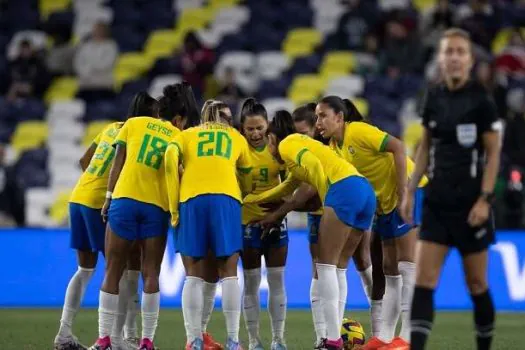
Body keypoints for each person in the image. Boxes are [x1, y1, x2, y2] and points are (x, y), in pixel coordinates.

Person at [400, 28, 501, 350]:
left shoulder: (481, 100)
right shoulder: (434, 96)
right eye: (449, 52)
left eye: (460, 51)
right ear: (441, 59)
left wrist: (485, 199)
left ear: (469, 60)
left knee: (477, 284)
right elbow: (425, 145)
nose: (454, 57)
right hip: (438, 202)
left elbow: (494, 153)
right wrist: (409, 190)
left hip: (471, 204)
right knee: (424, 282)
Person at [244, 112, 376, 350]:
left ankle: (332, 340)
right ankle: (359, 335)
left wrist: (328, 198)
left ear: (273, 138)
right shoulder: (298, 154)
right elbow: (286, 189)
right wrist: (250, 200)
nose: (267, 146)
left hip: (342, 190)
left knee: (324, 267)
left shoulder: (288, 144)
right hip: (363, 190)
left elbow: (313, 165)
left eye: (267, 140)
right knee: (338, 268)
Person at [90, 83, 199, 350]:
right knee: (151, 273)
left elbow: (118, 162)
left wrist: (108, 197)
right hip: (156, 207)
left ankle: (104, 338)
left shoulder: (134, 123)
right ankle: (147, 341)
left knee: (113, 270)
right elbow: (180, 173)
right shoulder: (178, 135)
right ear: (177, 116)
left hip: (125, 200)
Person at [316, 96, 426, 350]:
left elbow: (398, 147)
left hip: (408, 190)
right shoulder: (334, 146)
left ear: (339, 117)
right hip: (385, 204)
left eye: (323, 116)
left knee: (407, 264)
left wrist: (404, 193)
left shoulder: (358, 131)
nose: (318, 122)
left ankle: (408, 338)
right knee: (389, 269)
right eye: (316, 117)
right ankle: (386, 336)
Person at [55, 93, 157, 350]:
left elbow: (83, 161)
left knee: (85, 269)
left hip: (78, 197)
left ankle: (64, 334)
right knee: (119, 271)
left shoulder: (111, 128)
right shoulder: (138, 136)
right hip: (99, 203)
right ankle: (116, 339)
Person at [165, 101, 253, 350]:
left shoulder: (188, 135)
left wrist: (174, 205)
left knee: (192, 273)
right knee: (229, 272)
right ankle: (234, 341)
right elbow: (247, 174)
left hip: (191, 199)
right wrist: (242, 192)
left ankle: (194, 340)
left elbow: (170, 157)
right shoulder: (235, 136)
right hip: (226, 198)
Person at [239, 99, 288, 350]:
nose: (256, 134)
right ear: (242, 129)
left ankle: (278, 339)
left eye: (259, 128)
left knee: (277, 280)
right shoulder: (238, 150)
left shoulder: (277, 148)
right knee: (251, 283)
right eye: (250, 129)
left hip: (277, 220)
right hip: (247, 221)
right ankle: (253, 340)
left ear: (267, 125)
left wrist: (281, 209)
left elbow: (293, 183)